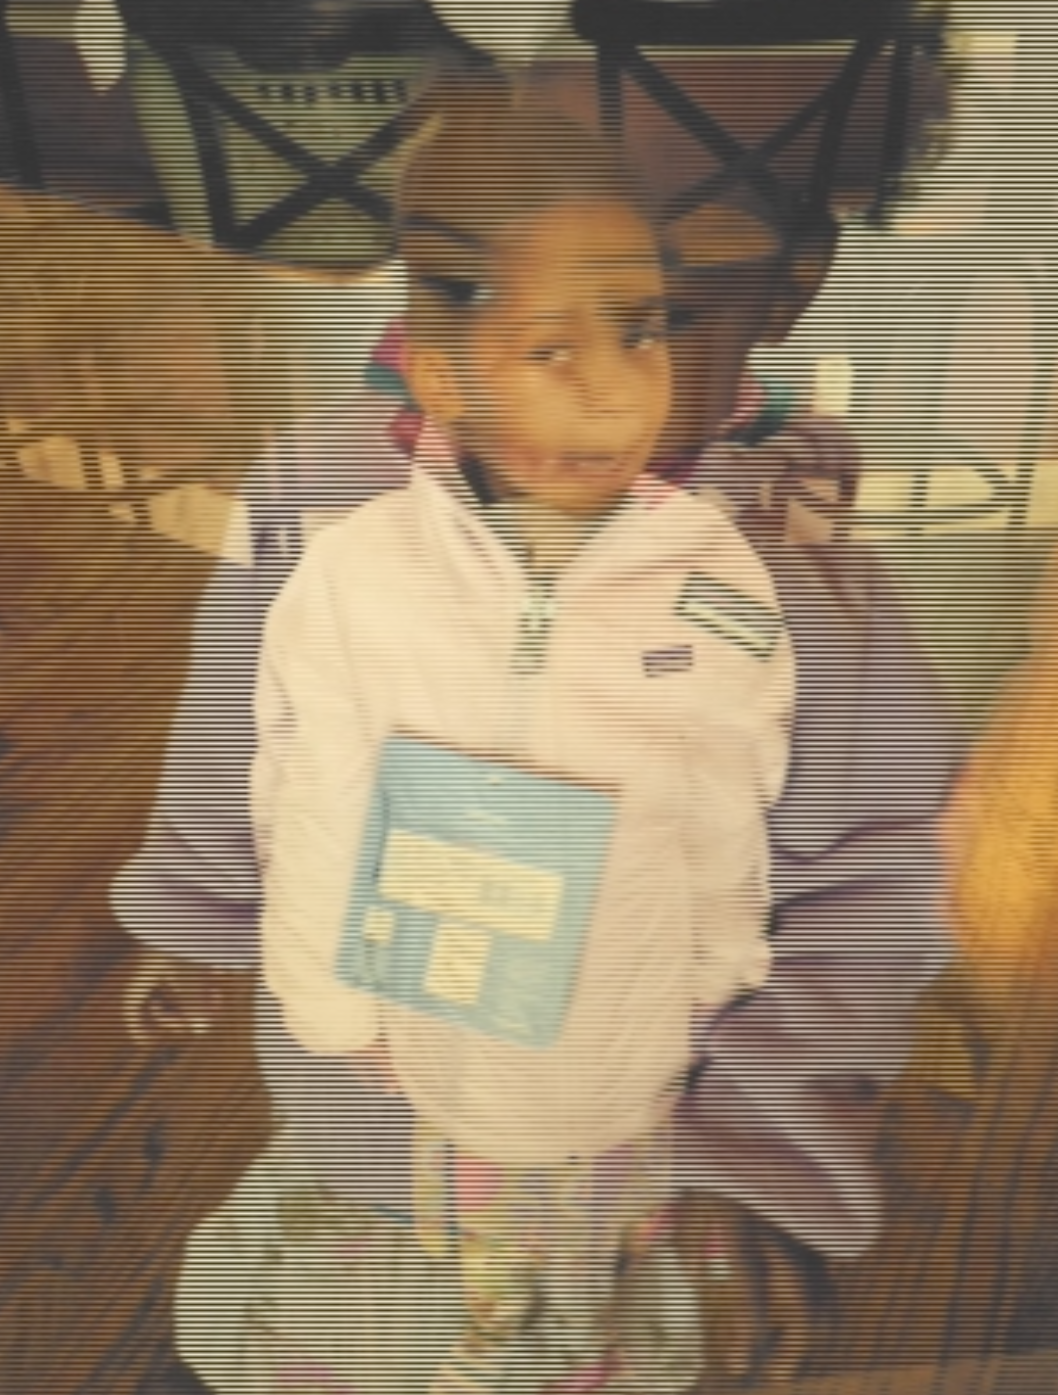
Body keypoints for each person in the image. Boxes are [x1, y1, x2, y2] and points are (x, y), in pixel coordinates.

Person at [115, 4, 960, 1388]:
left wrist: (755, 1156)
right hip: (364, 1110)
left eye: (648, 313)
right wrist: (204, 914)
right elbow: (245, 724)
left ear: (788, 289)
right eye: (473, 286)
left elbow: (865, 892)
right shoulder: (322, 491)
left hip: (624, 1157)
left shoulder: (792, 589)